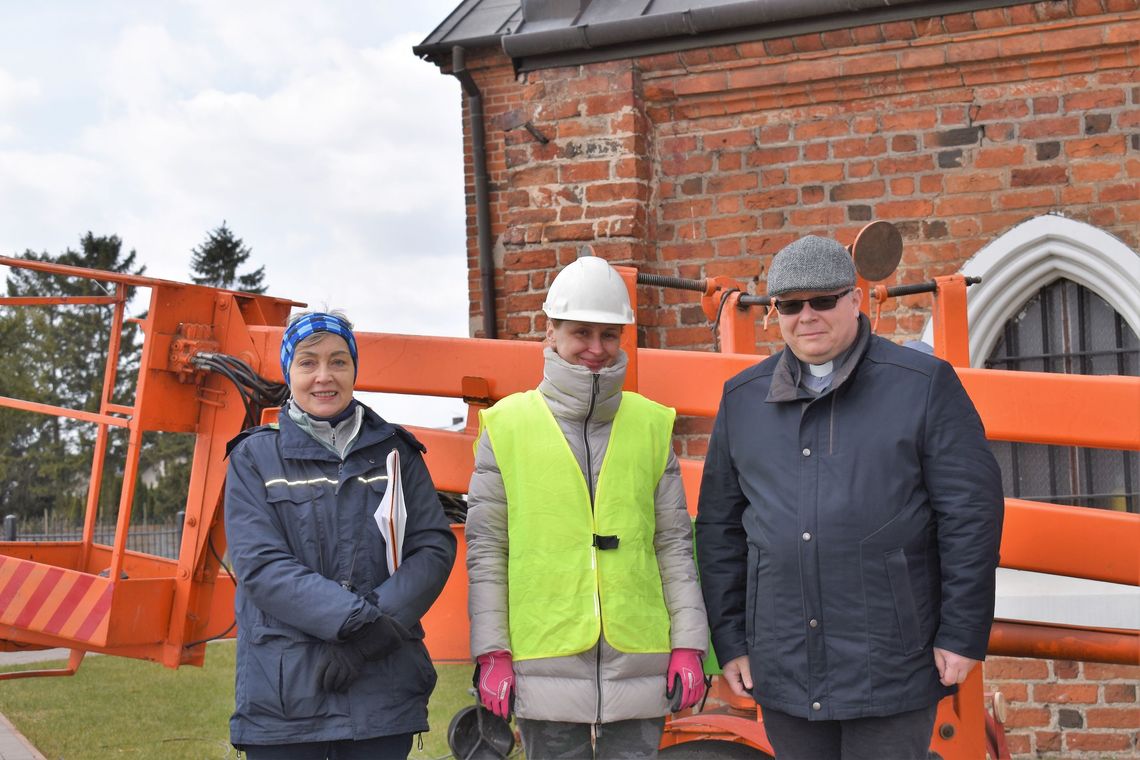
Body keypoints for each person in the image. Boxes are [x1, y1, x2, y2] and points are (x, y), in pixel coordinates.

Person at [695, 236, 1004, 760]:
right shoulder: (742, 399)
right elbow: (721, 528)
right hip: (784, 661)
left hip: (891, 660)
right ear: (776, 313)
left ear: (855, 300)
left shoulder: (922, 386)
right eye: (790, 305)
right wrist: (731, 641)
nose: (806, 316)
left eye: (823, 300)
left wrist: (962, 632)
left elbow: (971, 515)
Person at [466, 256, 710, 760]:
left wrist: (689, 643)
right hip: (545, 656)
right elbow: (487, 551)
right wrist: (493, 652)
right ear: (550, 334)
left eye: (609, 335)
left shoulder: (649, 424)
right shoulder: (507, 427)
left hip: (639, 658)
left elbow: (672, 545)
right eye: (581, 333)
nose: (596, 350)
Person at [225, 310, 457, 760]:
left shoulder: (396, 453)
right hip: (286, 699)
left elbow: (431, 547)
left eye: (338, 361)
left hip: (382, 692)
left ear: (354, 369)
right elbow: (261, 566)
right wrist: (360, 623)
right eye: (308, 362)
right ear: (288, 370)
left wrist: (374, 637)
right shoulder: (254, 458)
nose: (324, 376)